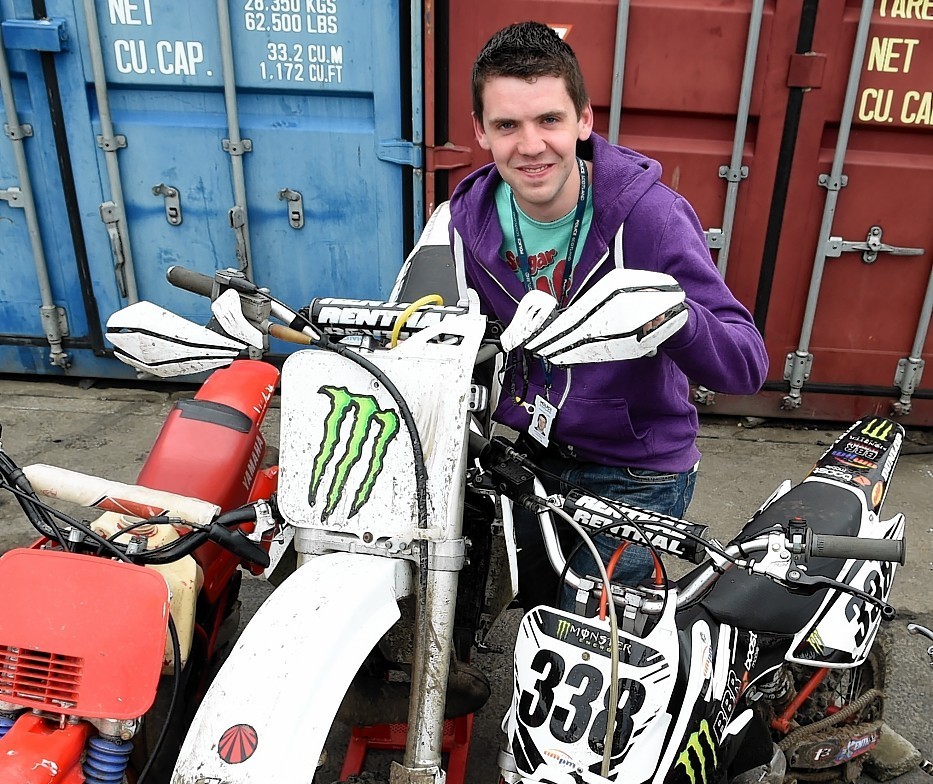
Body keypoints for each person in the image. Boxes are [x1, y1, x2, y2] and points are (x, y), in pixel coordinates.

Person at [447, 21, 769, 610]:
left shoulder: (649, 218)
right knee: (533, 613)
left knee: (594, 645)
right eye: (507, 125)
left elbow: (747, 365)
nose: (531, 145)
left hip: (637, 471)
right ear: (481, 131)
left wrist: (678, 317)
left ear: (584, 120)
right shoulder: (468, 219)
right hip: (534, 457)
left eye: (549, 120)